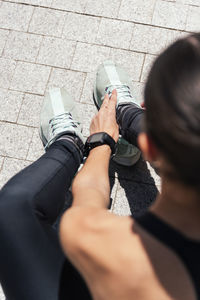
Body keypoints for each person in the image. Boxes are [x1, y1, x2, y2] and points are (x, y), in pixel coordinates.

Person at [0, 32, 200, 300]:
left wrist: (101, 141)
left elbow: (90, 197)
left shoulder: (94, 238)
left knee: (11, 211)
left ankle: (69, 143)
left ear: (150, 146)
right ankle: (127, 117)